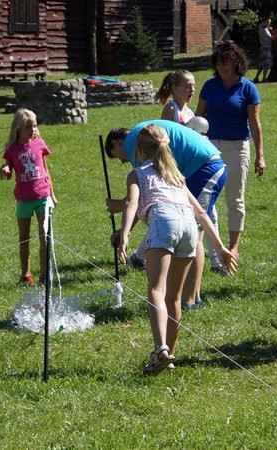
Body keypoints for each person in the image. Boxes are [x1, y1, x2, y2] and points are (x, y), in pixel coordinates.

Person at [114, 124, 237, 375]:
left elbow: (131, 203)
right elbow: (201, 213)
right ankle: (169, 354)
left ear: (138, 148)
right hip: (189, 228)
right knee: (174, 297)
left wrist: (125, 233)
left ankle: (160, 348)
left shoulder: (137, 173)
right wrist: (221, 247)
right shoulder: (176, 176)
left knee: (156, 290)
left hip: (164, 220)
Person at [105, 119, 226, 309]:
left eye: (120, 158)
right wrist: (124, 230)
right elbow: (148, 197)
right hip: (207, 163)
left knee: (196, 234)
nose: (125, 160)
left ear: (116, 144)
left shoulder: (133, 144)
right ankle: (188, 299)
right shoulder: (144, 135)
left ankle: (191, 299)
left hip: (204, 167)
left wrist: (121, 219)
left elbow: (138, 197)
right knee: (194, 229)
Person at [196, 41, 264, 261]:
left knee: (235, 198)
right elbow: (198, 118)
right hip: (209, 147)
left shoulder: (248, 88)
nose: (221, 67)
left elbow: (255, 124)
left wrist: (260, 156)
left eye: (225, 62)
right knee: (205, 197)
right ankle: (207, 245)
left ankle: (233, 247)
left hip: (237, 147)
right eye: (218, 63)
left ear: (237, 63)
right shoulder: (209, 86)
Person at [0, 109, 58, 286]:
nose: (33, 130)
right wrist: (6, 170)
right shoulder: (12, 149)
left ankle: (44, 275)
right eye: (28, 127)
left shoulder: (39, 144)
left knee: (44, 236)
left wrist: (52, 195)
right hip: (24, 199)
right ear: (18, 128)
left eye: (34, 126)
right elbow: (9, 170)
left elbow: (46, 170)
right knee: (24, 238)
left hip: (43, 196)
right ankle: (25, 274)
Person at [252, 16, 273, 83]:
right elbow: (271, 38)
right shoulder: (264, 30)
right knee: (266, 64)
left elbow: (264, 26)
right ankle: (264, 78)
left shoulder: (261, 26)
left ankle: (256, 78)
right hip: (266, 48)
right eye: (268, 22)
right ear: (264, 21)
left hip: (262, 47)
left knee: (261, 64)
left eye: (269, 22)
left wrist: (268, 28)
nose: (269, 24)